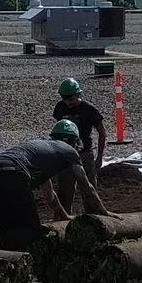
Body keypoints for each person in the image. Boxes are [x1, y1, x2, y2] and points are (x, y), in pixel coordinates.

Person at [0, 121, 108, 248]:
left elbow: (50, 195)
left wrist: (65, 216)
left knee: (12, 229)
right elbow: (86, 187)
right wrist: (104, 212)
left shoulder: (43, 150)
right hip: (11, 172)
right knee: (32, 231)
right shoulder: (69, 151)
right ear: (74, 141)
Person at [51, 77, 108, 213]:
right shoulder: (60, 107)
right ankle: (62, 217)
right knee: (64, 188)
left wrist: (99, 157)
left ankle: (94, 217)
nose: (67, 102)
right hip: (65, 153)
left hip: (84, 153)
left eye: (70, 98)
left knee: (89, 187)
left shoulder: (88, 110)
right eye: (64, 98)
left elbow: (102, 132)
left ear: (78, 94)